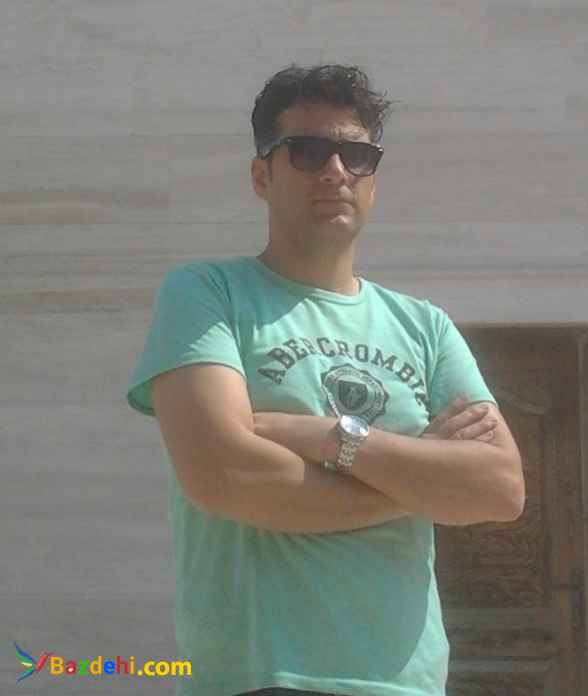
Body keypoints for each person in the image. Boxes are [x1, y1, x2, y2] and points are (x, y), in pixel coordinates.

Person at [125, 63, 524, 696]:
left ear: (373, 180)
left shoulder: (425, 326)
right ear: (262, 175)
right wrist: (420, 483)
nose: (335, 171)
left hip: (408, 684)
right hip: (260, 676)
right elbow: (227, 476)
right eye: (308, 151)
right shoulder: (208, 293)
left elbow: (499, 488)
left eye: (356, 155)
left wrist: (330, 440)